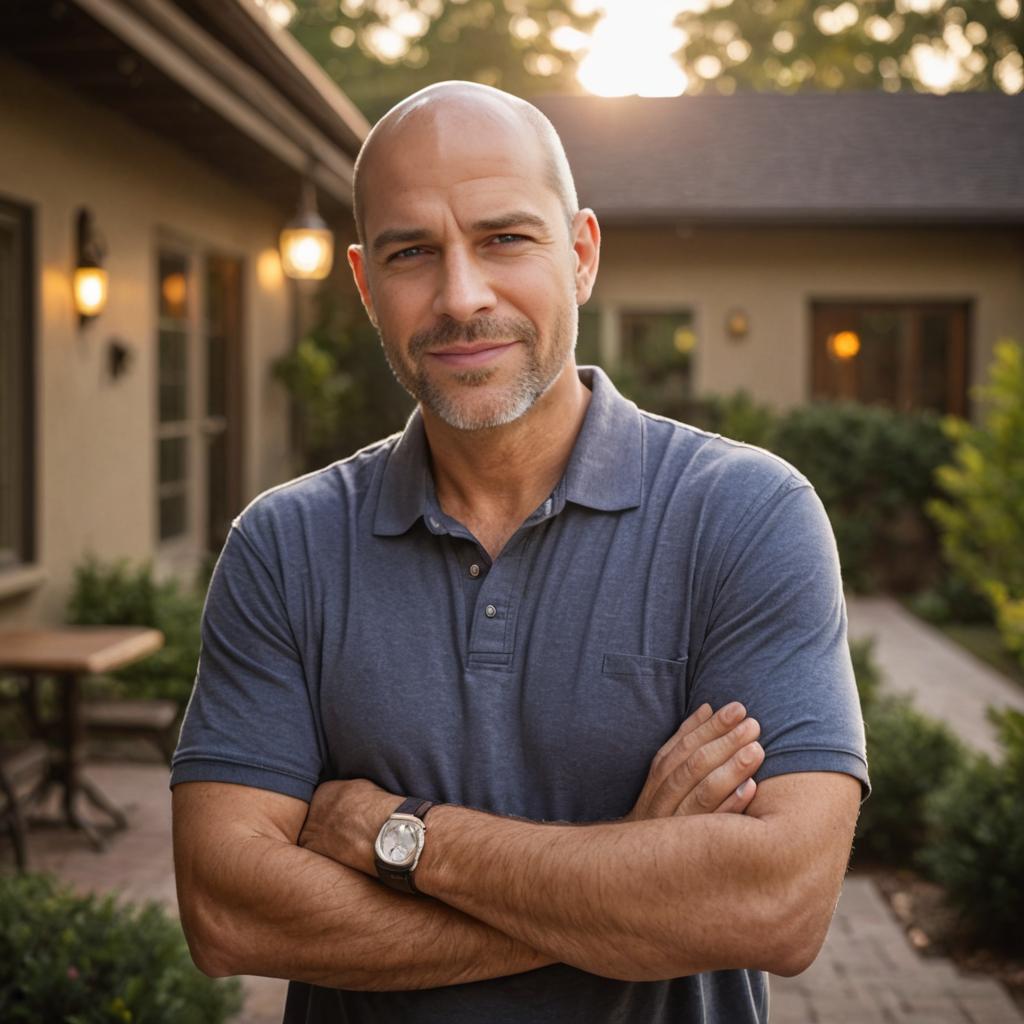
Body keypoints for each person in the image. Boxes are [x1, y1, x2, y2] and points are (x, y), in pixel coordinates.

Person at [170, 82, 868, 1023]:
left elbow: (778, 904)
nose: (462, 296)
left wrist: (400, 838)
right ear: (366, 284)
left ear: (580, 255)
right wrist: (630, 874)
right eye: (412, 252)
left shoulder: (745, 515)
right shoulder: (285, 545)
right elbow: (228, 912)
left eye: (504, 238)